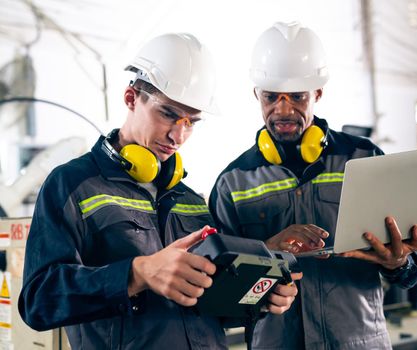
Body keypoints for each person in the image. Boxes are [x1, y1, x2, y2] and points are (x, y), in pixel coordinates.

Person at [18, 33, 299, 350]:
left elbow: (210, 307)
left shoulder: (191, 200)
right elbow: (38, 301)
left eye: (191, 121)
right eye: (167, 113)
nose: (179, 135)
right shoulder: (71, 185)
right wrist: (137, 273)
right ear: (131, 98)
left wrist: (258, 297)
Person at [209, 22, 417, 349]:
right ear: (257, 95)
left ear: (318, 93)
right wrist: (267, 251)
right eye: (271, 97)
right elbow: (219, 295)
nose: (283, 109)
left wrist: (399, 263)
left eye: (297, 96)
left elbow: (410, 270)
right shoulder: (232, 182)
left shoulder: (363, 158)